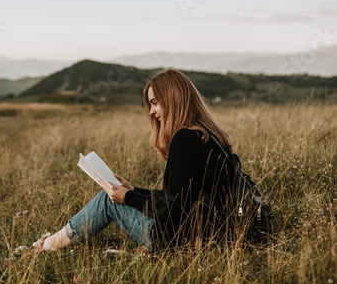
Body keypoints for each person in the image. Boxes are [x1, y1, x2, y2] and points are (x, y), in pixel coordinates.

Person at [32, 68, 236, 253]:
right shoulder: (205, 135)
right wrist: (133, 192)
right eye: (150, 104)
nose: (151, 111)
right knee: (114, 195)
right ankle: (49, 243)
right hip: (207, 233)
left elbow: (174, 210)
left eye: (155, 103)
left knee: (107, 200)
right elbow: (180, 199)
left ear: (173, 100)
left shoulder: (184, 139)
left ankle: (46, 246)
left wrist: (127, 198)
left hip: (179, 239)